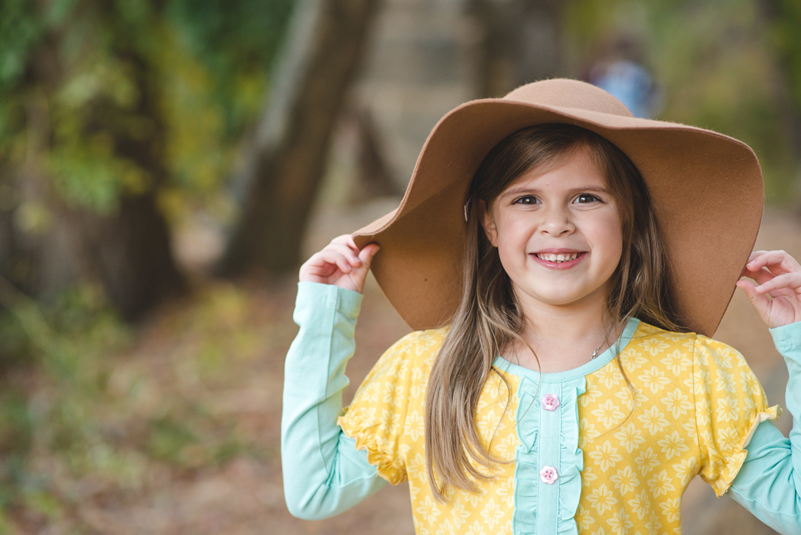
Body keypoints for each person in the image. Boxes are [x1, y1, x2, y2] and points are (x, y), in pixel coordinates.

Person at [281, 79, 801, 534]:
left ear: (629, 219)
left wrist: (799, 339)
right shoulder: (424, 370)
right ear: (489, 223)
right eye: (526, 199)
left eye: (587, 198)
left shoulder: (695, 375)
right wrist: (328, 316)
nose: (557, 223)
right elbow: (315, 490)